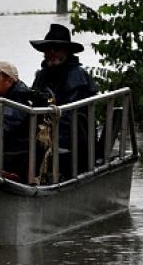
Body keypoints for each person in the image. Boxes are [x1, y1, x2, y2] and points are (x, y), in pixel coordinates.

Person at [30, 23, 97, 175]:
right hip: (44, 133)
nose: (52, 53)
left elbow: (70, 117)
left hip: (73, 139)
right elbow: (34, 103)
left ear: (67, 52)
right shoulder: (42, 75)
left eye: (57, 49)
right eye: (48, 49)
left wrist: (48, 139)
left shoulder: (76, 76)